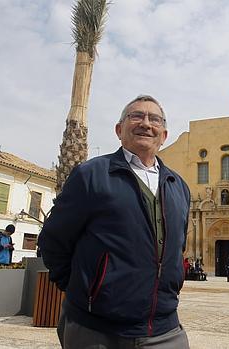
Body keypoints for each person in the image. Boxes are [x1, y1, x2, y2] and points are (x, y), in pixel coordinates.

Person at [38, 95, 191, 349]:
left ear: (163, 135)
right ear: (119, 130)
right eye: (136, 116)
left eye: (154, 119)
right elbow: (54, 241)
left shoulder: (179, 186)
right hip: (96, 331)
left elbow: (177, 247)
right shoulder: (92, 174)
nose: (146, 123)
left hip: (165, 330)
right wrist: (86, 294)